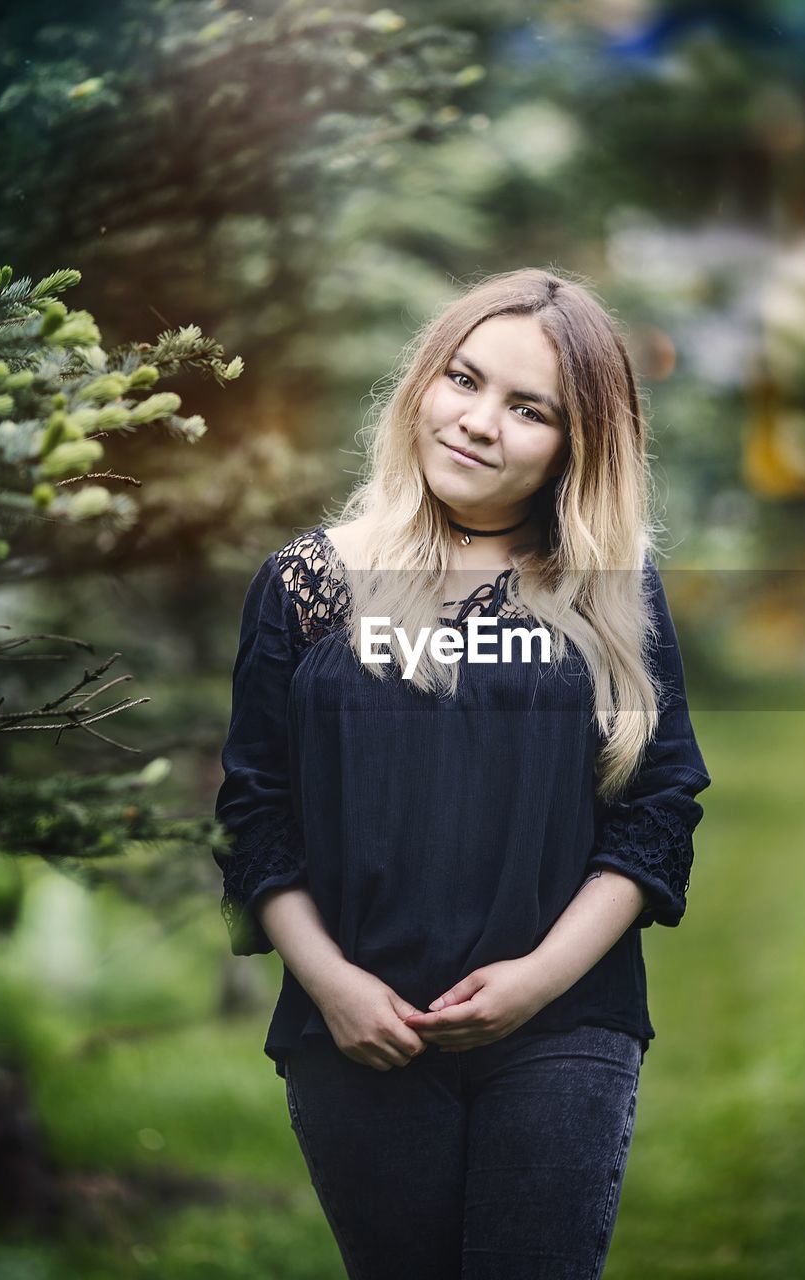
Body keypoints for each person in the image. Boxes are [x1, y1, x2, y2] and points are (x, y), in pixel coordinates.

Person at [213, 267, 711, 1279]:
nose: (479, 422)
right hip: (361, 1030)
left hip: (564, 1018)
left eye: (529, 409)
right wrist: (334, 984)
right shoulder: (308, 586)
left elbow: (655, 809)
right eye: (464, 379)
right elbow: (257, 817)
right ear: (423, 384)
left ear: (579, 446)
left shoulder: (612, 592)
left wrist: (535, 981)